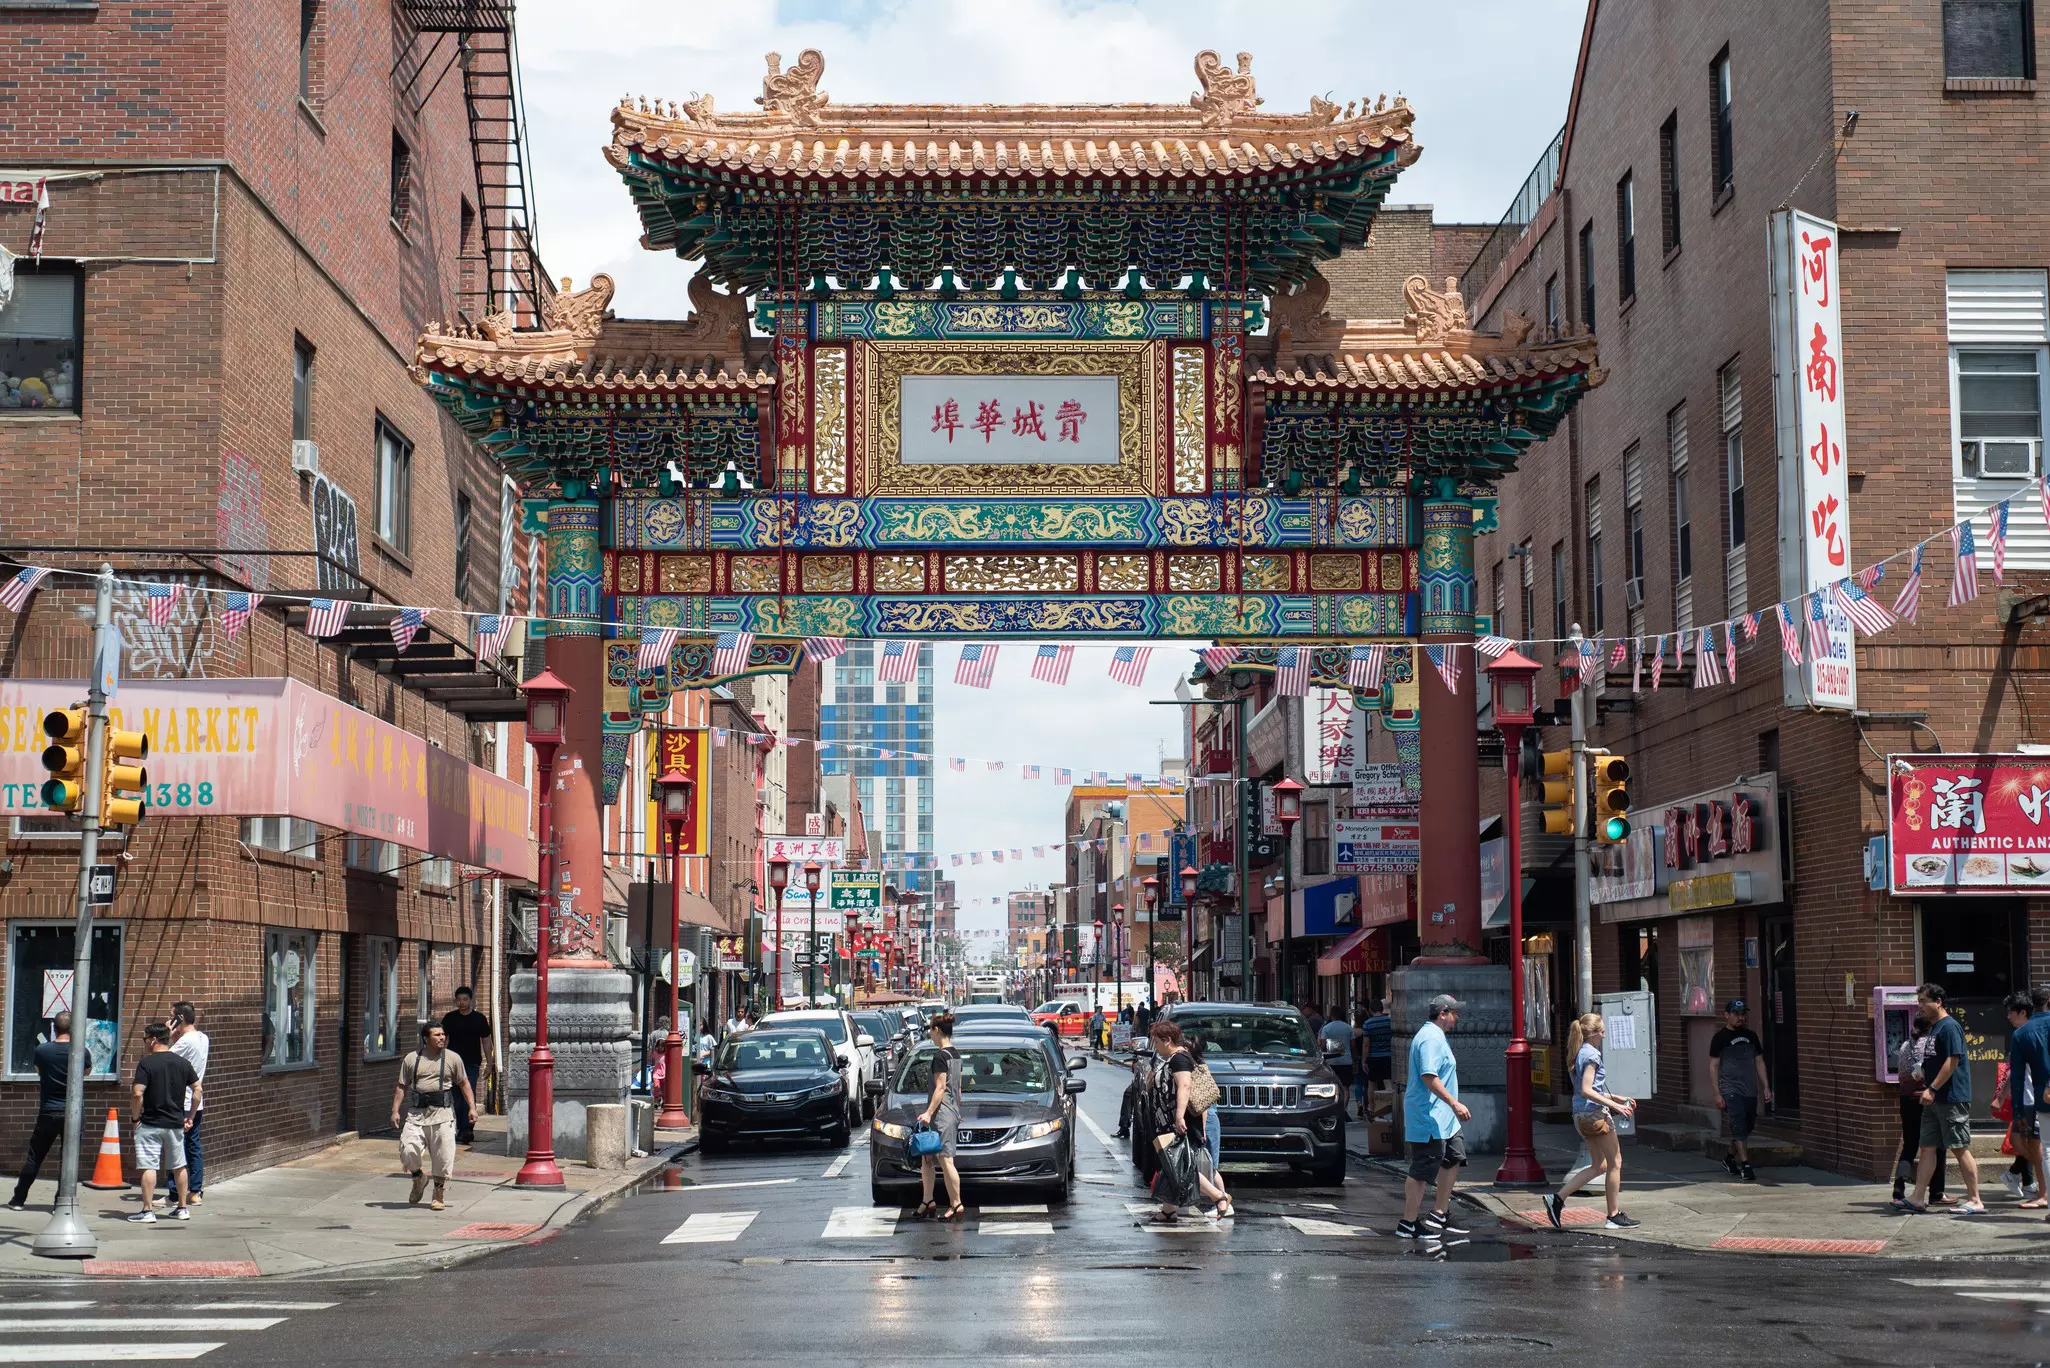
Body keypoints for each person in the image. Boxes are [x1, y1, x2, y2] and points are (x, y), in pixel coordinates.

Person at [1545, 1013, 1639, 1230]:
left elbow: (1586, 1090)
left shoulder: (1579, 1053)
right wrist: (1616, 1107)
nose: (1604, 1035)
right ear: (1593, 1033)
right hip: (1595, 1115)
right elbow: (1587, 1090)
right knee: (1615, 1162)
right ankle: (1613, 1216)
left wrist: (1615, 1097)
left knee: (1599, 1165)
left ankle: (1557, 1199)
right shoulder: (1591, 1056)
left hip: (1581, 1115)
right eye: (1602, 1031)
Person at [1396, 994, 1472, 1242]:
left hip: (1444, 1119)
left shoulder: (1437, 1036)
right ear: (1443, 1014)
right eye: (1454, 1013)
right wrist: (1454, 1102)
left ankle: (1439, 1213)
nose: (1456, 1018)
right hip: (1429, 1117)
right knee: (1421, 1169)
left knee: (1454, 1156)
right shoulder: (1430, 1039)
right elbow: (1430, 1077)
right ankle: (1408, 1223)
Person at [1904, 982, 1982, 1214]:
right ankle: (1918, 1198)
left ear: (1937, 1002)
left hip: (1950, 1098)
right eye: (1918, 1001)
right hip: (1935, 1098)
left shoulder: (1949, 1027)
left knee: (1959, 1147)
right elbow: (1937, 1060)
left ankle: (1976, 1199)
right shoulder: (1935, 1027)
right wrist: (1922, 1071)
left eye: (1923, 1001)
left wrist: (1933, 1088)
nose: (1919, 1006)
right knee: (1927, 1147)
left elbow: (1952, 1061)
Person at [393, 1022, 478, 1212]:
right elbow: (401, 1086)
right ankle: (418, 1178)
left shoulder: (452, 1058)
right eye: (437, 1035)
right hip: (417, 1114)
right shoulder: (411, 1059)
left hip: (442, 1114)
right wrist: (395, 1110)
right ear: (425, 1038)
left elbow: (464, 1084)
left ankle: (438, 1192)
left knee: (443, 1156)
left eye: (443, 1034)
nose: (442, 1038)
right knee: (408, 1149)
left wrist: (472, 1108)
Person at [10, 1012, 89, 1211]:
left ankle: (18, 1199)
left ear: (54, 1027)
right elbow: (85, 1073)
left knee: (35, 1155)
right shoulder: (81, 1051)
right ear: (74, 1028)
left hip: (49, 1110)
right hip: (74, 1112)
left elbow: (39, 1070)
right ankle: (59, 1202)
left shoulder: (42, 1050)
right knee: (68, 1159)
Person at [129, 1023, 200, 1223]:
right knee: (179, 1166)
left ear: (153, 1039)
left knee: (148, 1166)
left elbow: (137, 1093)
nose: (144, 1043)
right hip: (175, 1123)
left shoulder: (146, 1063)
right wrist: (191, 1116)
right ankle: (182, 1208)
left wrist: (135, 1118)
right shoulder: (182, 1063)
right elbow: (197, 1090)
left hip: (151, 1123)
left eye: (145, 1039)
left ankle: (147, 1211)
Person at [1708, 999, 1772, 1180]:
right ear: (1726, 1015)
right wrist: (1717, 1093)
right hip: (1730, 1089)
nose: (1740, 1017)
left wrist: (1766, 1086)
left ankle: (1729, 1158)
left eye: (1743, 1013)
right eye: (1736, 1014)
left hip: (1749, 1089)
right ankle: (1746, 1165)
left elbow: (1759, 1061)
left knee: (1747, 1126)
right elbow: (1713, 1066)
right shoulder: (1719, 1038)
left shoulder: (1751, 1036)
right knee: (1738, 1124)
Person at [913, 1012, 964, 1221]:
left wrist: (928, 1113)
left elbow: (941, 1088)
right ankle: (928, 1200)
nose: (929, 1034)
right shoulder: (955, 1054)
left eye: (930, 1029)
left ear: (936, 1030)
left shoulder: (940, 1056)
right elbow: (959, 1089)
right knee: (927, 1157)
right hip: (950, 1111)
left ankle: (956, 1202)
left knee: (945, 1159)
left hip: (941, 1113)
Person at [1891, 1015, 1946, 1206]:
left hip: (1906, 1099)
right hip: (1926, 1099)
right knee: (1936, 1145)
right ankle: (1937, 1192)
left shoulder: (1906, 1045)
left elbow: (1900, 1073)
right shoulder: (1930, 1045)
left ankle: (1899, 1189)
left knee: (1909, 1145)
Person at [2002, 989, 2045, 1208]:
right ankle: (2034, 1180)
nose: (2008, 1017)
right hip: (2024, 1100)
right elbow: (2013, 1073)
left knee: (2038, 1147)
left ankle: (2042, 1189)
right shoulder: (2020, 1035)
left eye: (2010, 1012)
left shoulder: (2031, 1033)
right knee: (2020, 1142)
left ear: (2022, 1012)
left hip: (2034, 1099)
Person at [164, 1002, 210, 1204]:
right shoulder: (203, 1038)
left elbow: (162, 1060)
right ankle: (196, 1191)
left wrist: (167, 1035)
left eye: (171, 1016)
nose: (168, 1019)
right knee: (194, 1146)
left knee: (176, 1147)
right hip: (196, 1102)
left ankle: (175, 1194)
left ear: (179, 1019)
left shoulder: (185, 1042)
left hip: (180, 1102)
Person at [1184, 1033, 1232, 1218]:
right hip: (1208, 1120)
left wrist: (1202, 1129)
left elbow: (1202, 1104)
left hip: (1206, 1121)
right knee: (1207, 1164)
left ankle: (1223, 1200)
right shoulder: (1201, 1067)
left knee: (1209, 1164)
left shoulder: (1193, 1071)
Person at [440, 987, 495, 1146]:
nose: (461, 1002)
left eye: (464, 999)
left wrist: (489, 1063)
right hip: (452, 1063)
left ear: (471, 1000)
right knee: (456, 1097)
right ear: (455, 1000)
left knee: (467, 1094)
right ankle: (460, 1127)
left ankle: (467, 1129)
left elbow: (486, 1041)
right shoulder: (450, 1018)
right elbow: (443, 1040)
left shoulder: (479, 1019)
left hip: (472, 1063)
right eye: (458, 999)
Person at [1361, 1000, 1393, 1116]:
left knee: (1372, 1083)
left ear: (1371, 1010)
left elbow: (1366, 1044)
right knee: (1388, 1081)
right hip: (1388, 1055)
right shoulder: (1389, 1021)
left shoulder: (1368, 1024)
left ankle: (1372, 1107)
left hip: (1373, 1057)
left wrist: (1364, 1060)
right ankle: (1389, 1105)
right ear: (1382, 1008)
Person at [1319, 1007, 1354, 1103]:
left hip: (1331, 1061)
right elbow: (1352, 1046)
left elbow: (1322, 1046)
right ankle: (1345, 1108)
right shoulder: (1348, 1027)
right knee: (1346, 1087)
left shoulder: (1326, 1028)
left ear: (1331, 1015)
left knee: (1332, 1085)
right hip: (1346, 1061)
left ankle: (1334, 1104)